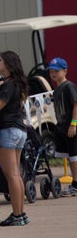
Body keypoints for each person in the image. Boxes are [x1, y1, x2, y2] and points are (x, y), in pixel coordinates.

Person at [0, 51, 30, 226]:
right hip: (20, 130)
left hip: (7, 130)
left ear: (8, 64)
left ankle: (16, 213)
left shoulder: (8, 85)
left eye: (0, 61)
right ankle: (21, 213)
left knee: (11, 175)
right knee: (17, 175)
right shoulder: (17, 84)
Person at [46, 58, 77, 196]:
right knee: (70, 156)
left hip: (71, 127)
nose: (53, 74)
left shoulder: (68, 86)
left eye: (56, 71)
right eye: (51, 71)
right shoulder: (57, 89)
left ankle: (76, 184)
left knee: (74, 156)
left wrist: (73, 124)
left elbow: (76, 104)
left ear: (65, 71)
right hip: (62, 127)